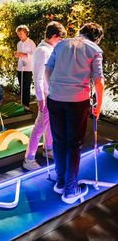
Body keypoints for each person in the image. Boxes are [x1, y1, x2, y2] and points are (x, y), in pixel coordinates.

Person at [45, 22, 105, 204]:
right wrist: (99, 105)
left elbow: (48, 70)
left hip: (55, 99)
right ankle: (70, 190)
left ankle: (61, 182)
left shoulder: (61, 43)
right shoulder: (94, 49)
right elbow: (99, 81)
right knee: (74, 144)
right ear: (97, 37)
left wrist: (54, 89)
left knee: (59, 141)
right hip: (77, 102)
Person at [23, 21, 67, 170]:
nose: (60, 42)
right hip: (47, 96)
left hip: (52, 94)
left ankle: (48, 150)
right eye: (59, 39)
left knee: (49, 124)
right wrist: (41, 99)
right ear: (54, 36)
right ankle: (29, 159)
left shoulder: (49, 49)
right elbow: (38, 77)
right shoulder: (42, 51)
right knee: (40, 126)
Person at [14, 25, 36, 110]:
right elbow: (19, 55)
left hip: (28, 68)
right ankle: (22, 104)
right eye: (18, 34)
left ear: (26, 33)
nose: (19, 35)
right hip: (20, 67)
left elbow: (34, 55)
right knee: (21, 86)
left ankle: (26, 105)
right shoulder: (18, 44)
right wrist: (17, 54)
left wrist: (24, 55)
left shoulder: (31, 43)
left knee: (26, 87)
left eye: (21, 34)